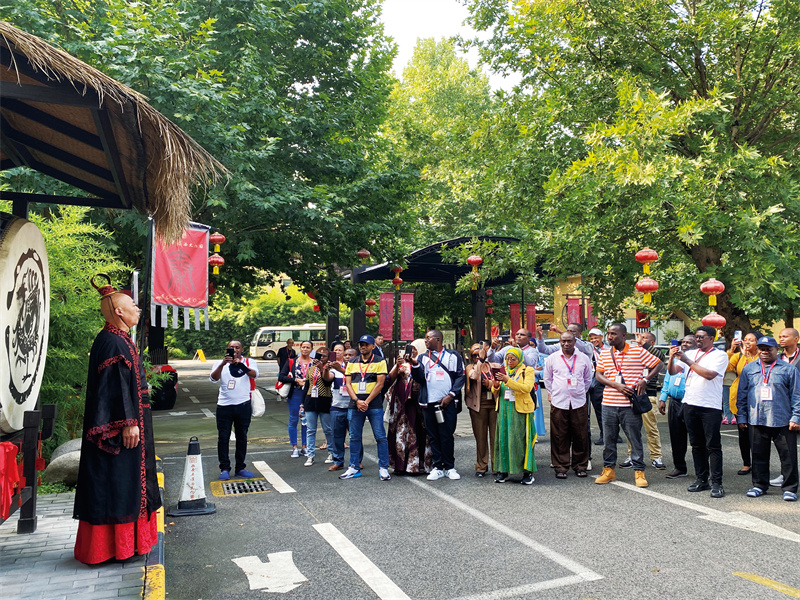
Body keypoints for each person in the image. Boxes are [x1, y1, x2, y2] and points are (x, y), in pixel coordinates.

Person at [73, 277, 161, 565]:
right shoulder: (112, 342)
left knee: (127, 481)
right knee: (118, 482)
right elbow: (115, 387)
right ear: (120, 312)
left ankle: (131, 544)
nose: (138, 310)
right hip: (122, 428)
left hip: (132, 423)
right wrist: (128, 422)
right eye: (133, 306)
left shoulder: (120, 339)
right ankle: (112, 547)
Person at [594, 323, 662, 488]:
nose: (610, 337)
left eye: (614, 334)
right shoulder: (604, 352)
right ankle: (608, 470)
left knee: (634, 438)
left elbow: (659, 364)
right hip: (608, 404)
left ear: (624, 335)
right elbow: (598, 375)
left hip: (630, 405)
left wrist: (645, 380)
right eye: (609, 334)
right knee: (609, 439)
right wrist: (615, 385)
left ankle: (639, 471)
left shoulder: (637, 351)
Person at [736, 336, 800, 501]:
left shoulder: (789, 369)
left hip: (782, 420)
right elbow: (741, 395)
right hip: (756, 419)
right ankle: (759, 485)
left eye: (768, 349)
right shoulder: (749, 369)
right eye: (761, 349)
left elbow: (797, 396)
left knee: (788, 456)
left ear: (776, 350)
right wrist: (742, 416)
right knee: (758, 455)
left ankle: (790, 488)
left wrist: (796, 417)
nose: (764, 352)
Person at [669, 326, 729, 498]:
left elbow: (709, 374)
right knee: (696, 445)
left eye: (702, 337)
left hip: (710, 406)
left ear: (711, 338)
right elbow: (673, 372)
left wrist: (687, 361)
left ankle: (717, 483)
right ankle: (702, 479)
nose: (698, 340)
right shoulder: (692, 354)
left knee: (713, 446)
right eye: (697, 337)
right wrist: (672, 357)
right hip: (690, 403)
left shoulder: (719, 355)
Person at [410, 329, 466, 481]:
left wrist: (451, 395)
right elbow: (420, 378)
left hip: (447, 402)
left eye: (428, 339)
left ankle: (450, 467)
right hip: (429, 402)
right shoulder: (422, 357)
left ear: (438, 339)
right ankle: (438, 466)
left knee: (446, 435)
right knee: (433, 435)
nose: (425, 341)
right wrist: (415, 365)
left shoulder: (453, 356)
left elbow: (460, 376)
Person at [543, 332, 594, 478]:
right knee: (559, 435)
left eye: (569, 341)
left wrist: (579, 392)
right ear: (560, 342)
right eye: (563, 341)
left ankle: (580, 465)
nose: (566, 344)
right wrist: (555, 394)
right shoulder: (553, 358)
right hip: (559, 402)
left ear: (575, 342)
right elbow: (548, 379)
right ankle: (561, 466)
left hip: (578, 402)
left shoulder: (583, 358)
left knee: (580, 434)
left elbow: (587, 378)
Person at [341, 335, 391, 481]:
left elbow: (380, 384)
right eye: (361, 344)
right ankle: (354, 467)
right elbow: (348, 384)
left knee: (380, 436)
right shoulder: (351, 362)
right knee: (354, 437)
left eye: (366, 344)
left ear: (372, 346)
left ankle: (383, 468)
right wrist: (357, 400)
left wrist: (366, 401)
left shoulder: (379, 361)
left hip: (373, 404)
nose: (362, 346)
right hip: (355, 404)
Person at [209, 341, 258, 480]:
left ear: (242, 349)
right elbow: (213, 378)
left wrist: (241, 365)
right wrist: (223, 364)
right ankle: (224, 468)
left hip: (243, 405)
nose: (234, 349)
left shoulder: (249, 361)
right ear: (227, 349)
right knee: (223, 437)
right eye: (231, 347)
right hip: (224, 406)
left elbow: (254, 374)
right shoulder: (220, 363)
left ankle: (240, 467)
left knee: (242, 436)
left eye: (237, 347)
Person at [619, 332, 666, 470]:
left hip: (648, 395)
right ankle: (631, 455)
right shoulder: (634, 353)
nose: (640, 340)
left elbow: (660, 358)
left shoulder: (654, 354)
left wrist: (642, 343)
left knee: (651, 428)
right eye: (640, 338)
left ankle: (656, 456)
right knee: (631, 429)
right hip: (632, 396)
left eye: (645, 339)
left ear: (651, 343)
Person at [491, 347, 537, 484]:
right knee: (503, 439)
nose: (509, 361)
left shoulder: (527, 370)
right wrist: (495, 385)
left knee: (519, 440)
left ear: (520, 359)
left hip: (520, 410)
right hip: (504, 409)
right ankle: (503, 471)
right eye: (507, 358)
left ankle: (527, 473)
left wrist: (507, 380)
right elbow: (495, 391)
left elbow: (527, 388)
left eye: (513, 359)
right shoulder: (503, 370)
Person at [386, 340, 432, 474]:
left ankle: (418, 465)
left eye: (415, 349)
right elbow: (390, 378)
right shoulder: (402, 364)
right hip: (401, 402)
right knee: (401, 430)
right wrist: (397, 365)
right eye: (409, 349)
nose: (412, 352)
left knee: (418, 430)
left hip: (418, 402)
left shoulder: (425, 363)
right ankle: (400, 465)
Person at [659, 335, 698, 479]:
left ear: (696, 344)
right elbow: (668, 380)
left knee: (696, 438)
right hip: (674, 402)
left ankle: (702, 469)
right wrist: (663, 398)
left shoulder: (696, 361)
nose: (685, 344)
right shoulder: (675, 360)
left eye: (689, 342)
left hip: (690, 403)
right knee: (676, 436)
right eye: (683, 342)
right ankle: (680, 467)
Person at [726, 331, 762, 476]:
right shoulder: (738, 355)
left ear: (758, 342)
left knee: (758, 434)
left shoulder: (762, 355)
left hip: (758, 398)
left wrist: (748, 357)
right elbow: (726, 368)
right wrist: (731, 350)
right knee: (743, 433)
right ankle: (746, 463)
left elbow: (758, 371)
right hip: (739, 398)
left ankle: (759, 463)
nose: (747, 342)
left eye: (751, 340)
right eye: (745, 339)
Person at [772, 327, 800, 487]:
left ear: (796, 339)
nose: (781, 339)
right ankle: (786, 475)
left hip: (797, 404)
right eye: (780, 336)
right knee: (786, 446)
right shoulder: (776, 358)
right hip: (781, 407)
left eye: (785, 336)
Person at [465, 343, 497, 477]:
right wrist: (481, 362)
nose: (476, 357)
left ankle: (498, 466)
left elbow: (501, 381)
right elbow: (474, 376)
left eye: (479, 354)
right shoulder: (470, 367)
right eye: (474, 356)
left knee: (496, 437)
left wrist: (492, 384)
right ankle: (481, 466)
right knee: (481, 436)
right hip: (478, 404)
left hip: (494, 403)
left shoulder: (494, 366)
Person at [277, 340, 313, 457]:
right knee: (293, 419)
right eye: (303, 347)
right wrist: (296, 380)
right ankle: (294, 447)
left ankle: (305, 446)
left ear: (311, 350)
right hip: (296, 392)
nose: (305, 349)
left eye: (308, 347)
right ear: (300, 348)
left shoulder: (315, 363)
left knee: (306, 420)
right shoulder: (292, 361)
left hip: (309, 393)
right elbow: (281, 376)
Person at [301, 347, 333, 467]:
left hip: (324, 400)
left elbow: (327, 383)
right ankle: (310, 455)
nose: (320, 358)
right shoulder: (310, 369)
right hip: (310, 400)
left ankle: (331, 452)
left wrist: (322, 368)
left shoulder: (329, 369)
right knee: (310, 429)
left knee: (327, 429)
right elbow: (306, 386)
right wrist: (302, 404)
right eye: (318, 356)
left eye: (324, 356)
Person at [327, 345, 355, 471]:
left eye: (350, 355)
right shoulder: (335, 369)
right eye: (346, 355)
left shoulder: (358, 369)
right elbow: (327, 378)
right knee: (337, 436)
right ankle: (338, 460)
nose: (347, 357)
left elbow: (355, 378)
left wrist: (342, 369)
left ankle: (356, 461)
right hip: (337, 406)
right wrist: (325, 369)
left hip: (352, 406)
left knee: (355, 436)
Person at [587, 328, 608, 445]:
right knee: (599, 410)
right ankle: (604, 434)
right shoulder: (589, 350)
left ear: (601, 337)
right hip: (595, 382)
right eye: (592, 338)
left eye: (596, 337)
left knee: (609, 410)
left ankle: (612, 434)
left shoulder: (609, 349)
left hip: (608, 381)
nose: (594, 340)